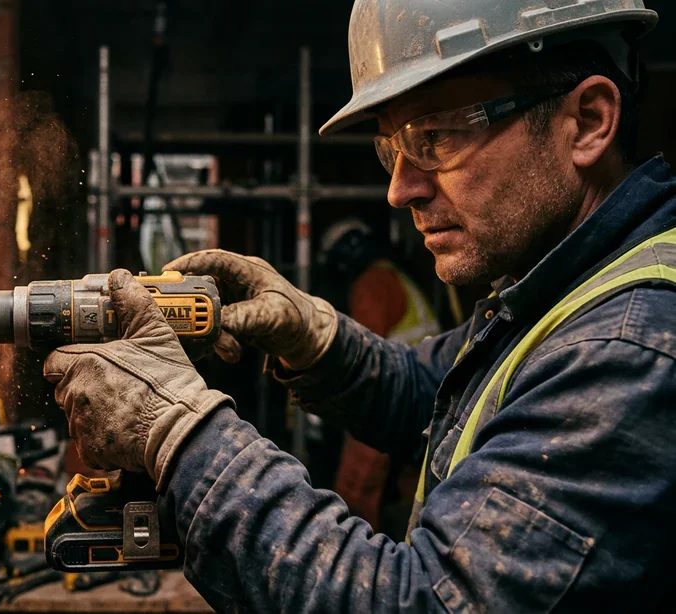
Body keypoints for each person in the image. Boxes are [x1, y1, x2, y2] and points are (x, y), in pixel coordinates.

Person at [45, 1, 676, 611]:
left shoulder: (628, 349)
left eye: (436, 138)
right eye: (392, 149)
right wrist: (314, 339)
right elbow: (432, 394)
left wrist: (179, 433)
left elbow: (417, 602)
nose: (400, 190)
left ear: (589, 121)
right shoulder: (558, 290)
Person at [316, 218, 440, 538]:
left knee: (359, 477)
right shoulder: (394, 276)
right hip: (432, 398)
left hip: (397, 393)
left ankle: (353, 555)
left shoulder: (372, 284)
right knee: (419, 486)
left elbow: (361, 355)